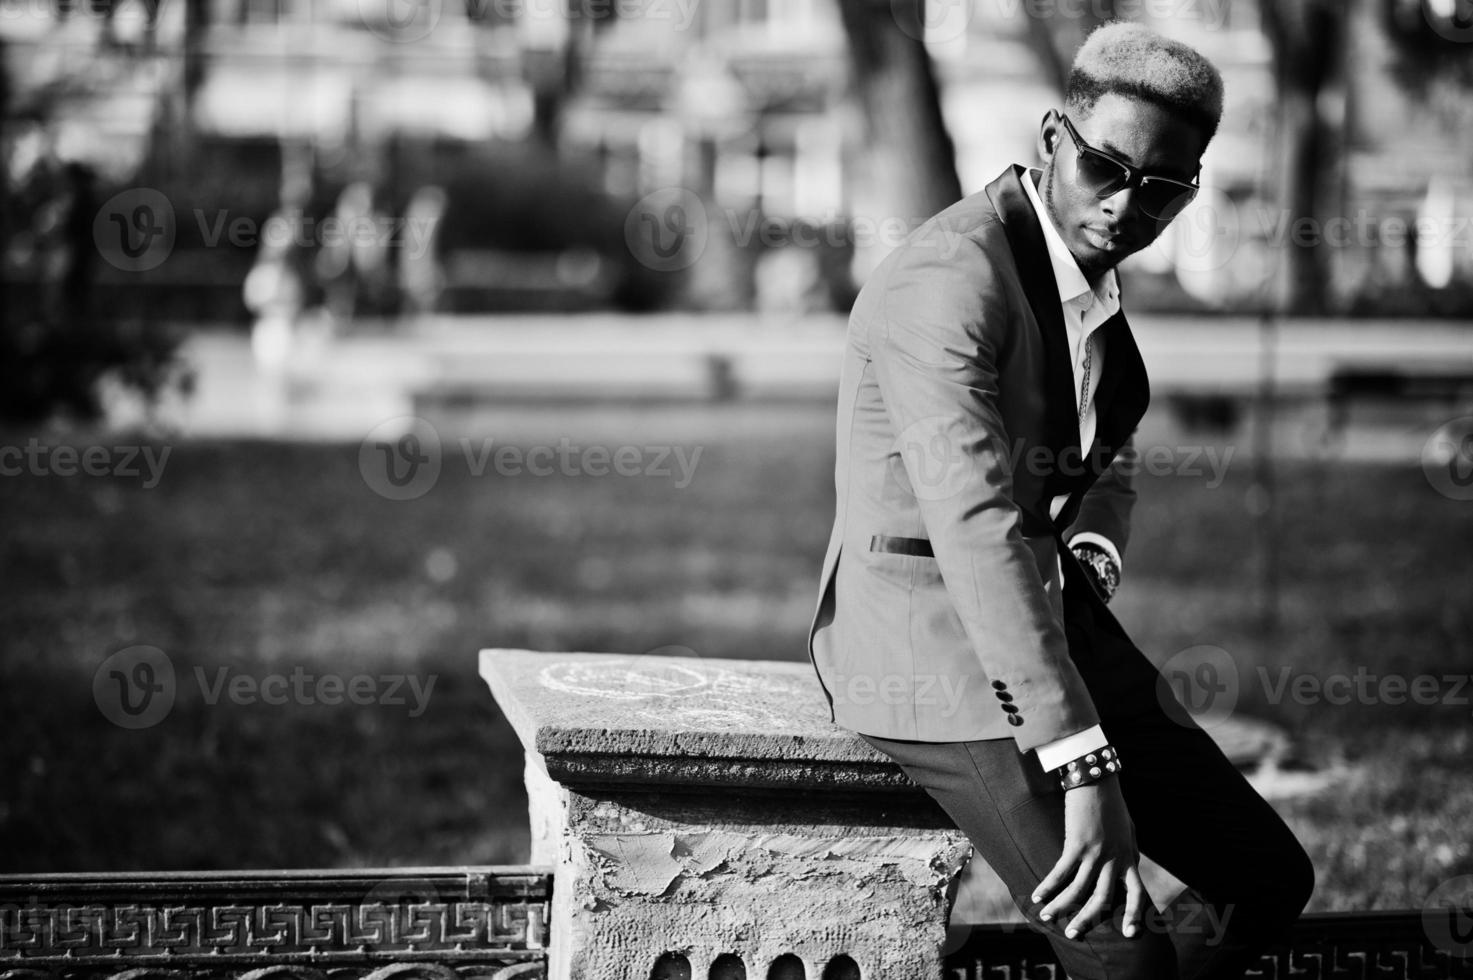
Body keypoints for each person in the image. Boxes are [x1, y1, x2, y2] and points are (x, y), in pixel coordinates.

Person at [805, 21, 1314, 980]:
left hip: (1048, 608)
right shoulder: (949, 277)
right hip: (927, 645)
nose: (1127, 206)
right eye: (1106, 168)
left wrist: (1092, 551)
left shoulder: (1084, 278)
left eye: (1163, 188)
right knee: (1124, 963)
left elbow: (1098, 445)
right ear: (1052, 138)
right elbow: (974, 521)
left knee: (1265, 877)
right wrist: (1085, 763)